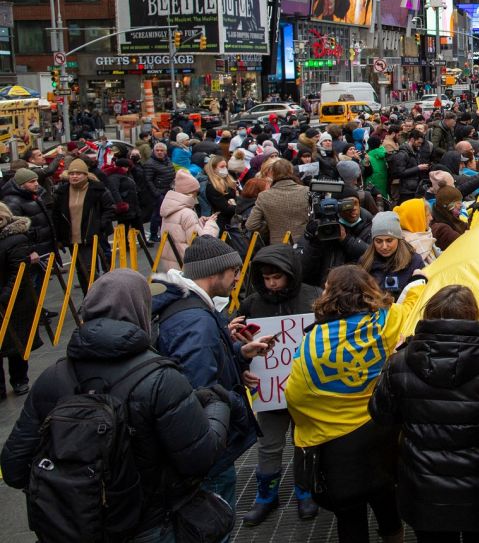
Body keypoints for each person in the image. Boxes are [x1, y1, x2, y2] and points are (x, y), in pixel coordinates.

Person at [1, 269, 233, 543]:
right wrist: (218, 404)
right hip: (148, 526)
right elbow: (199, 458)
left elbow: (14, 468)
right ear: (140, 310)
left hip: (70, 528)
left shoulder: (51, 378)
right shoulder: (160, 379)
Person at [369, 285, 479, 542]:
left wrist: (394, 359)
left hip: (425, 492)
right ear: (474, 316)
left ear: (428, 315)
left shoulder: (401, 362)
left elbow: (381, 413)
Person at [152, 236, 274, 518]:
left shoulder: (190, 308)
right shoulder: (196, 321)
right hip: (208, 448)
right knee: (215, 522)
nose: (236, 278)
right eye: (234, 271)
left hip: (199, 445)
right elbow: (201, 388)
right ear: (215, 272)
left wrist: (239, 355)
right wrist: (234, 402)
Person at [285, 265, 404, 543]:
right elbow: (412, 304)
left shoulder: (311, 343)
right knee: (387, 501)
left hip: (337, 449)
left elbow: (295, 396)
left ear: (329, 294)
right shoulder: (390, 319)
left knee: (350, 519)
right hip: (383, 434)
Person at [237, 244, 321, 525]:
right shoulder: (251, 304)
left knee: (304, 443)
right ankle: (266, 496)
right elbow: (241, 344)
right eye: (266, 278)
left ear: (290, 274)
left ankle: (304, 491)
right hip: (270, 392)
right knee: (269, 444)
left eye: (277, 277)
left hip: (304, 391)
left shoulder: (312, 297)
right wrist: (245, 369)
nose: (271, 284)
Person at [51, 158, 115, 288]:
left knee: (89, 270)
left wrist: (100, 225)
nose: (74, 176)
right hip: (71, 238)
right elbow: (56, 215)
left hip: (90, 236)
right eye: (72, 174)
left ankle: (99, 297)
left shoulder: (97, 189)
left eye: (78, 174)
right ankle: (89, 299)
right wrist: (58, 237)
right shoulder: (61, 192)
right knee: (81, 270)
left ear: (86, 175)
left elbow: (109, 209)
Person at [0, 203, 38, 396]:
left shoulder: (16, 239)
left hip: (14, 299)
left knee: (15, 343)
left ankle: (19, 380)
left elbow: (18, 274)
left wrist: (5, 297)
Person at [157, 170, 219, 272]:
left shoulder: (170, 208)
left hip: (172, 265)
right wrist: (211, 224)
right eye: (196, 192)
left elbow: (180, 231)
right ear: (191, 192)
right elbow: (202, 243)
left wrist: (199, 222)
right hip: (187, 266)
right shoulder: (187, 213)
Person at [359, 211, 423, 299]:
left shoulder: (414, 261)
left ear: (398, 239)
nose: (384, 247)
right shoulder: (365, 261)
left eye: (389, 240)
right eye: (378, 241)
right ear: (373, 241)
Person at [247, 159, 311, 245]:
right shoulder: (306, 191)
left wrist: (271, 226)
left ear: (272, 174)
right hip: (304, 243)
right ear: (291, 171)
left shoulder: (264, 196)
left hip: (278, 245)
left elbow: (251, 225)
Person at [1, 167, 56, 258]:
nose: (36, 184)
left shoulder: (35, 195)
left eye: (36, 180)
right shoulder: (12, 202)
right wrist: (30, 251)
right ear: (21, 184)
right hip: (34, 252)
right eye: (32, 182)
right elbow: (16, 230)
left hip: (45, 247)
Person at [143, 142, 175, 241]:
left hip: (168, 191)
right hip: (158, 192)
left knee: (166, 214)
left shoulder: (167, 160)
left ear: (165, 152)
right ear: (154, 151)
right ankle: (153, 234)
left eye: (162, 150)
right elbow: (148, 180)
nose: (159, 152)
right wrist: (156, 193)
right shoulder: (150, 163)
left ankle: (164, 233)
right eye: (157, 150)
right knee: (157, 214)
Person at [397, 197, 439, 265]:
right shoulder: (410, 247)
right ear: (416, 220)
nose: (431, 218)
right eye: (427, 215)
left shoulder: (425, 237)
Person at [204, 156, 239, 233]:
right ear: (213, 169)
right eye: (222, 167)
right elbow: (225, 208)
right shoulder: (212, 186)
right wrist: (237, 206)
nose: (225, 169)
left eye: (226, 166)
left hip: (233, 219)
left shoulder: (229, 180)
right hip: (222, 223)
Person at [431, 186, 467, 250]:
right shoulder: (443, 229)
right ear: (448, 206)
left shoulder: (449, 217)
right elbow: (465, 243)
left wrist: (474, 214)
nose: (461, 205)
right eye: (458, 202)